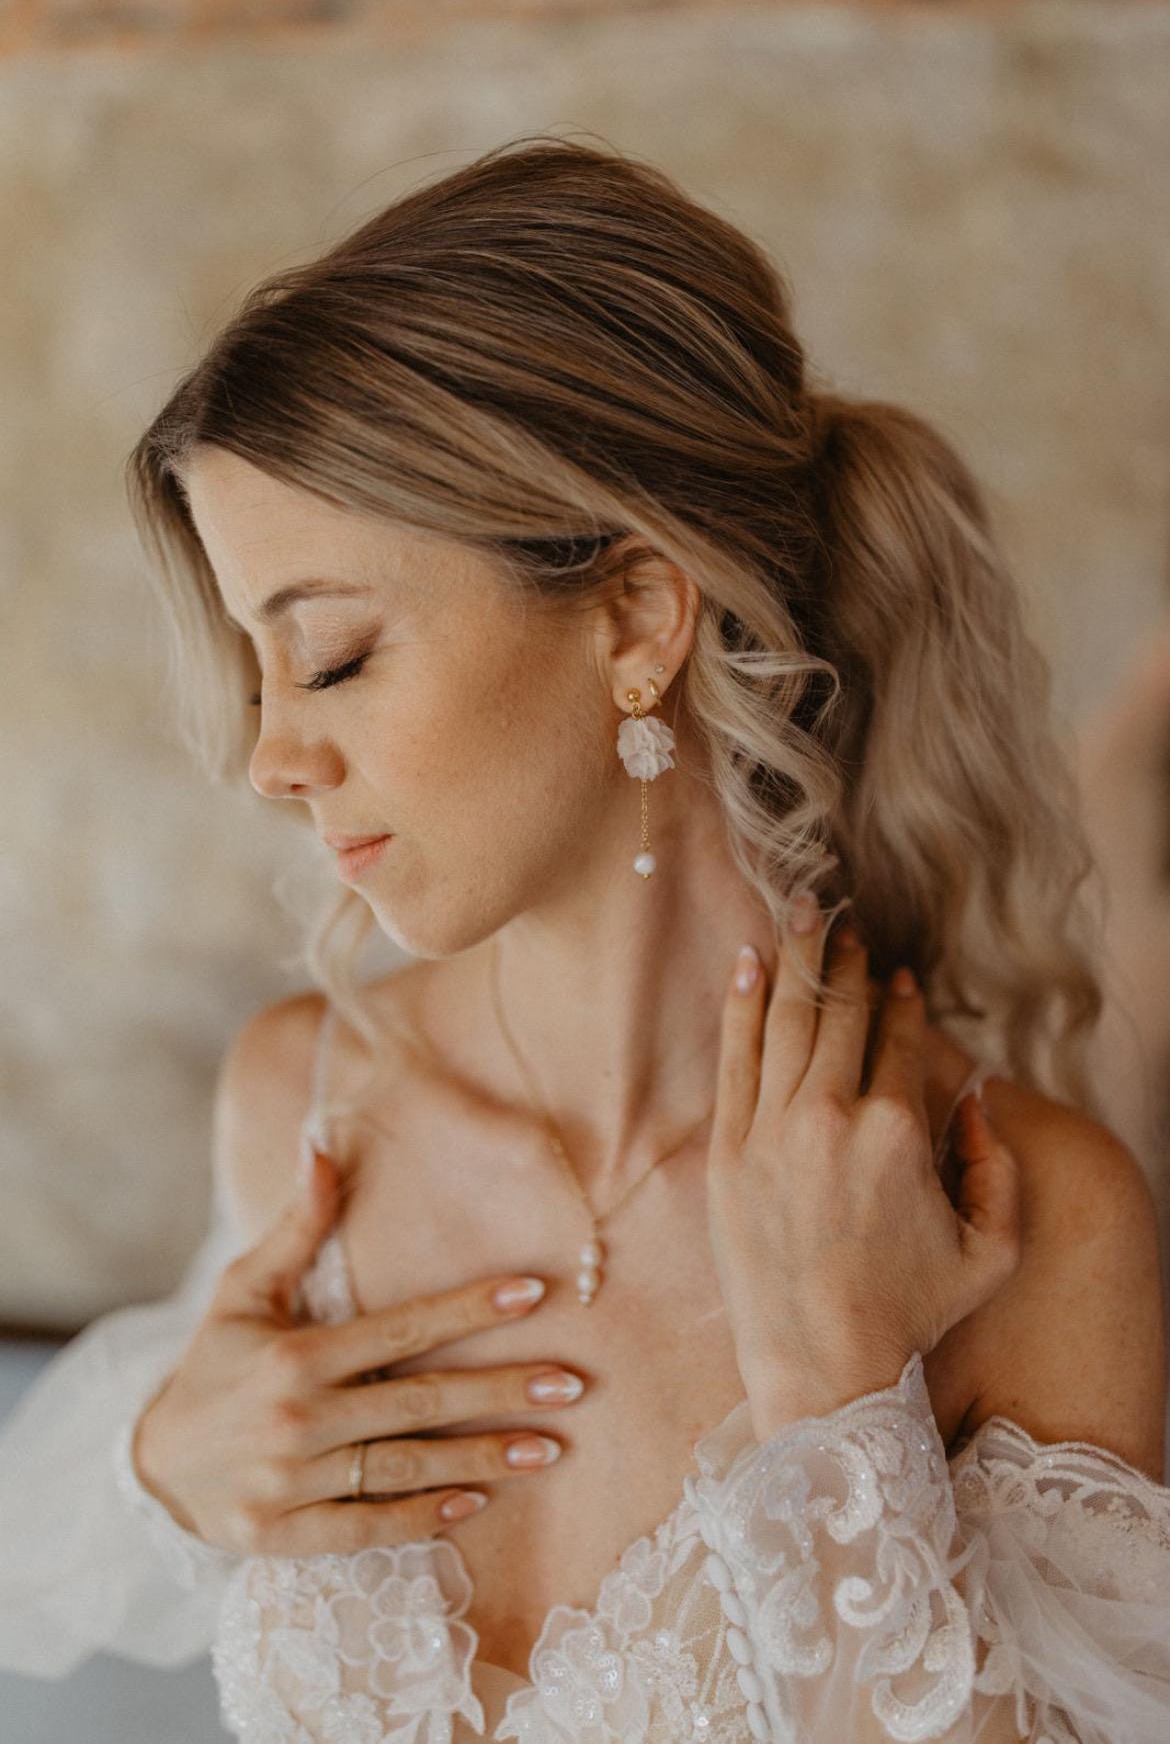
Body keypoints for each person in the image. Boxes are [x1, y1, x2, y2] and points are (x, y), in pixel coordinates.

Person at [2, 131, 1169, 1743]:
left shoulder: (1013, 1213)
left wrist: (838, 1389)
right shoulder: (305, 1108)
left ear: (634, 615)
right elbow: (36, 1556)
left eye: (329, 657)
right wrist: (165, 1471)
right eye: (257, 673)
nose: (269, 757)